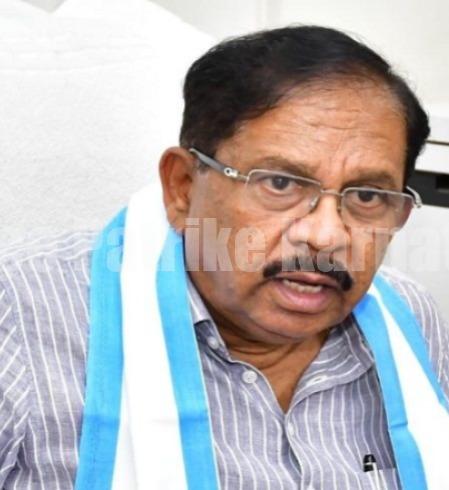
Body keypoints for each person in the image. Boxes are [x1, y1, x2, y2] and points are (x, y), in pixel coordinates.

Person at [0, 25, 448, 490]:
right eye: (280, 184)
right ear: (182, 188)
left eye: (368, 196)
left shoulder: (410, 319)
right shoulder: (21, 314)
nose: (325, 235)